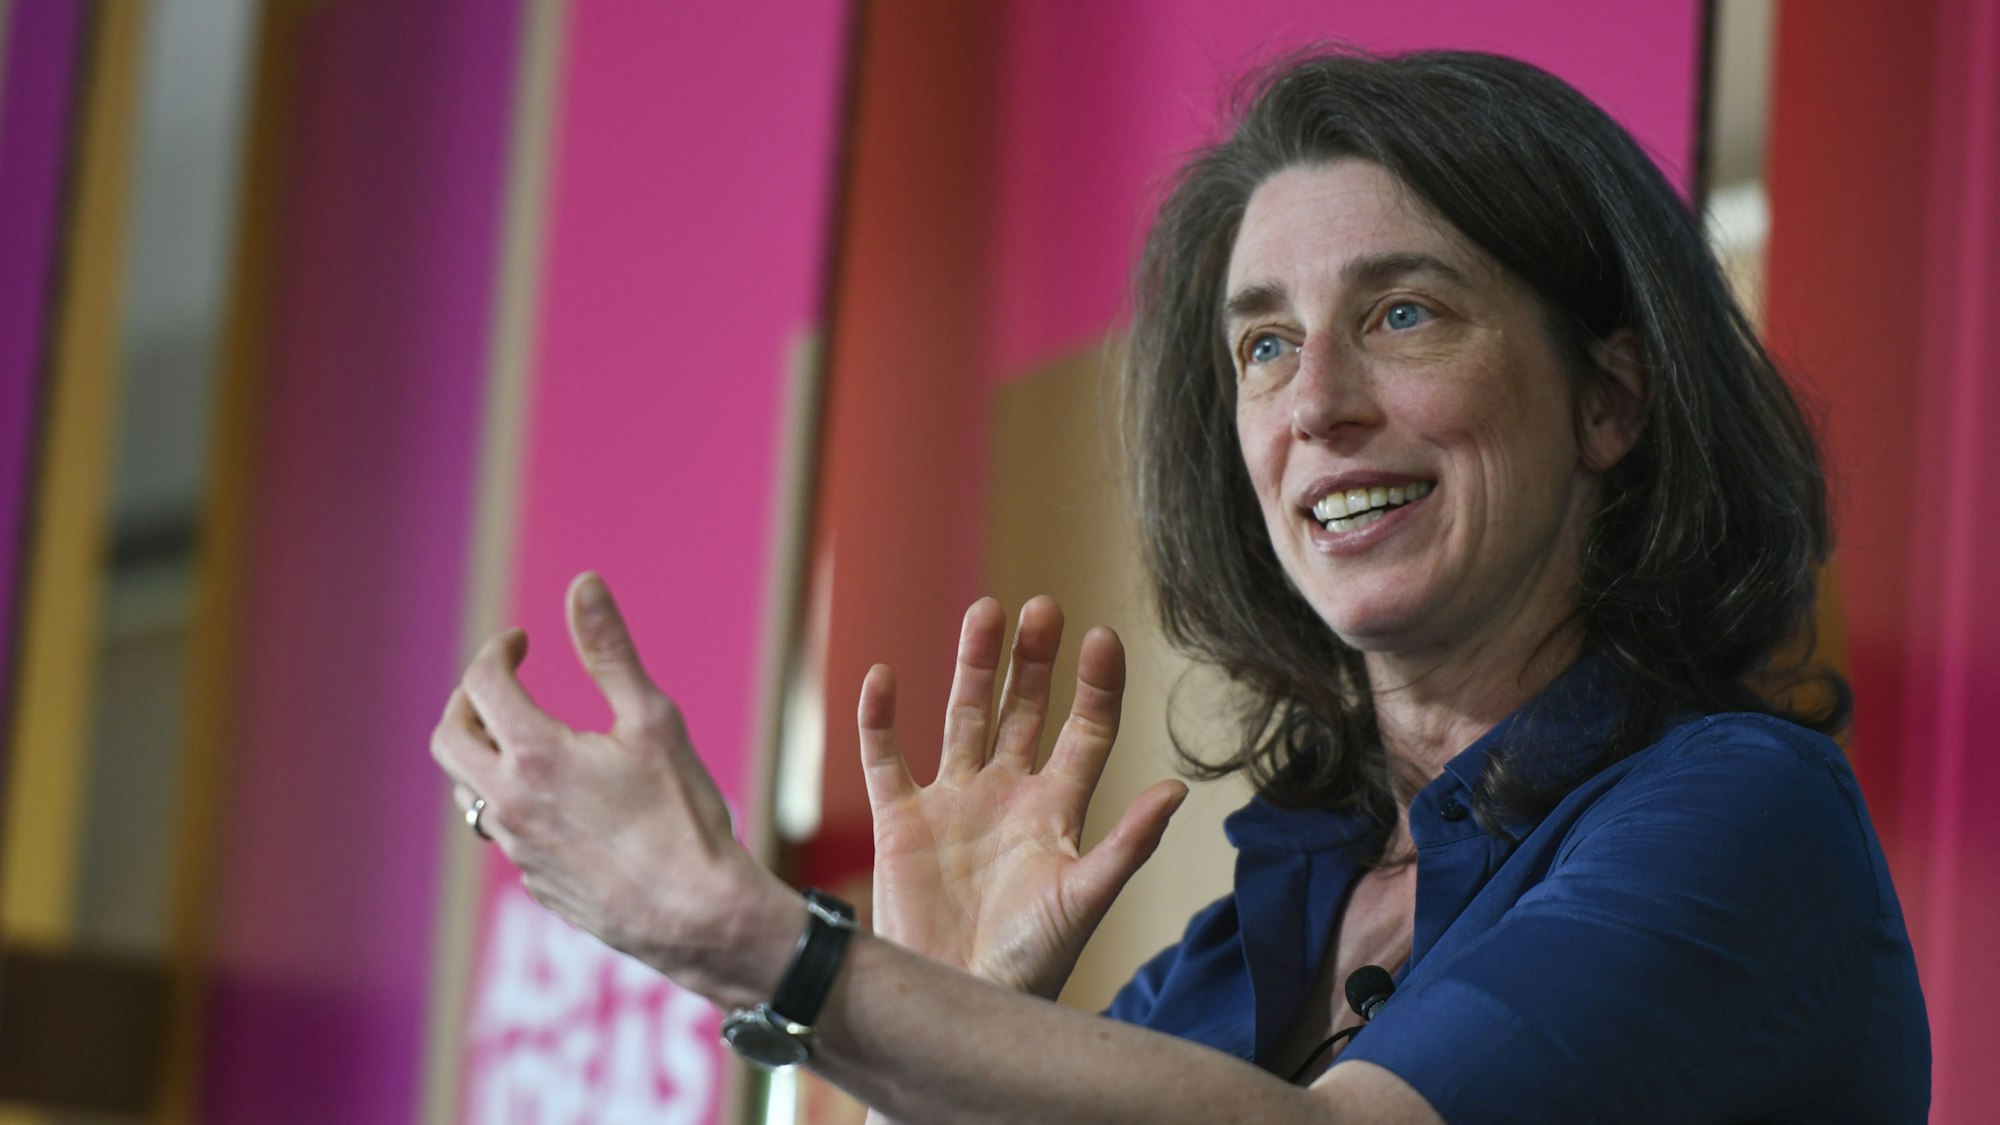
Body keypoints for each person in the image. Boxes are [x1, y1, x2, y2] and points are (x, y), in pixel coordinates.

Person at [431, 50, 1929, 1122]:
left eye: (1404, 313)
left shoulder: (1744, 817)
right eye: (1264, 345)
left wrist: (767, 948)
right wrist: (945, 1020)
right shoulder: (1245, 944)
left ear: (1609, 399)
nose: (1316, 403)